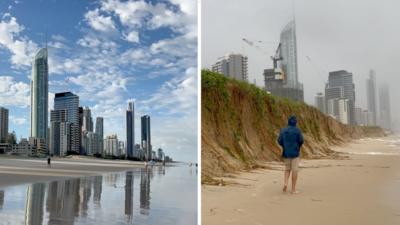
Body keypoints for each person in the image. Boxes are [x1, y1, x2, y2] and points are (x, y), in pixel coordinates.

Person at [278, 115, 304, 194]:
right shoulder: (297, 130)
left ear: (288, 122)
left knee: (287, 169)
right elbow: (301, 140)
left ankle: (285, 183)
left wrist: (284, 146)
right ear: (295, 122)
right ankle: (293, 189)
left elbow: (279, 140)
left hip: (286, 152)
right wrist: (298, 146)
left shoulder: (283, 130)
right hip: (295, 153)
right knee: (294, 170)